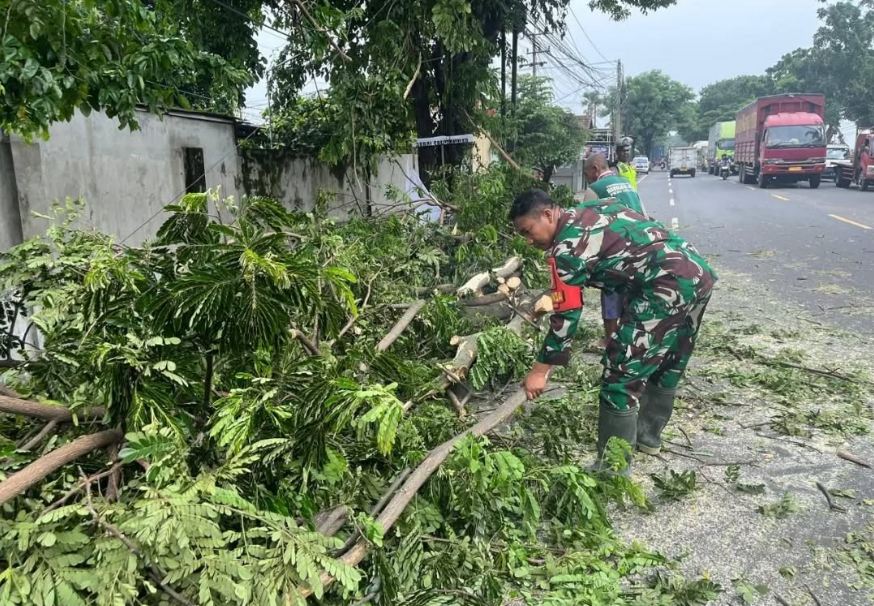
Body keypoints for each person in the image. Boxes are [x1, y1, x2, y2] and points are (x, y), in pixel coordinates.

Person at [510, 189, 716, 472]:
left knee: (620, 375)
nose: (529, 240)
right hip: (697, 273)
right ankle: (648, 437)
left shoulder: (566, 250)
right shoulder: (595, 208)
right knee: (670, 359)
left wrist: (539, 370)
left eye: (528, 231)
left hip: (664, 287)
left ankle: (612, 470)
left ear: (548, 214)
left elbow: (566, 316)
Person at [581, 154, 647, 346]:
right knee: (632, 291)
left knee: (610, 288)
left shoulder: (595, 189)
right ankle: (629, 337)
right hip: (641, 244)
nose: (587, 178)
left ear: (595, 168)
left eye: (586, 173)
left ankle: (610, 338)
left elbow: (585, 225)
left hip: (615, 247)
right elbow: (643, 213)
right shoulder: (627, 184)